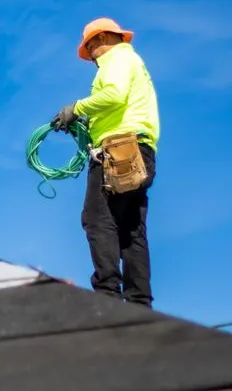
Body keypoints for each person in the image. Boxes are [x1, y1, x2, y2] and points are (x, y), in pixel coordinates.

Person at [51, 17, 160, 308]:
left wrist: (76, 108)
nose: (91, 58)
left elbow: (113, 94)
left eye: (89, 49)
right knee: (130, 227)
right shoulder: (132, 61)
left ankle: (107, 294)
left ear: (99, 40)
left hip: (118, 148)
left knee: (97, 218)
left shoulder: (117, 58)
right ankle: (139, 300)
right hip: (141, 150)